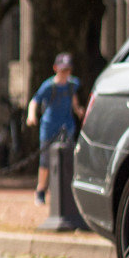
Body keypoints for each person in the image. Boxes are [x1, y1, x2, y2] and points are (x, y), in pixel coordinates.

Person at [25, 52, 85, 206]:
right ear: (55, 68)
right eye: (62, 69)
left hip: (67, 126)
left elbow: (73, 98)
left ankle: (65, 190)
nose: (65, 73)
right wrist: (31, 116)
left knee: (67, 159)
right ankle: (41, 190)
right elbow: (34, 101)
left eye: (67, 69)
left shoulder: (72, 84)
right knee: (45, 161)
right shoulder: (49, 86)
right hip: (50, 126)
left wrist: (78, 110)